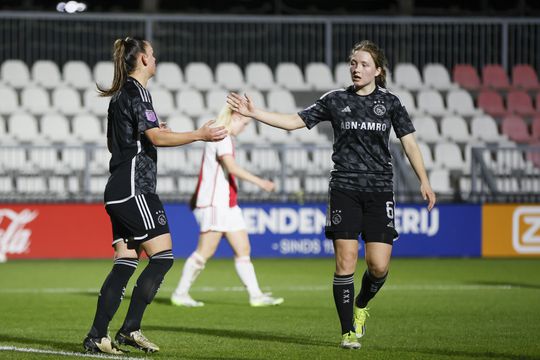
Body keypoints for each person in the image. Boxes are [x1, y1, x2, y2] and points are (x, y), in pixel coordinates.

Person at [227, 40, 436, 349]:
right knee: (346, 261)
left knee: (378, 266)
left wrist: (424, 180)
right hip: (344, 190)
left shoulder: (391, 103)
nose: (356, 68)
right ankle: (347, 331)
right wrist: (254, 112)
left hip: (380, 191)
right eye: (353, 63)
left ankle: (362, 305)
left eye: (364, 64)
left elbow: (410, 143)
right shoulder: (335, 100)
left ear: (378, 70)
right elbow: (293, 123)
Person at [83, 36, 227, 355]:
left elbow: (121, 142)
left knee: (126, 261)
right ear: (144, 60)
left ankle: (97, 336)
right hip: (136, 189)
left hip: (118, 188)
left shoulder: (121, 96)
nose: (156, 57)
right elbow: (156, 138)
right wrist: (200, 135)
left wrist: (151, 133)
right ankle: (129, 329)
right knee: (162, 258)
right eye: (152, 53)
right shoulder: (139, 92)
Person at [170, 105, 284, 308]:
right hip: (216, 204)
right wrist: (261, 182)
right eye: (245, 123)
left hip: (228, 204)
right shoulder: (221, 135)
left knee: (243, 249)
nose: (245, 128)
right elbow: (231, 167)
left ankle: (256, 295)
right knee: (205, 251)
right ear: (236, 116)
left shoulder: (222, 135)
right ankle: (180, 293)